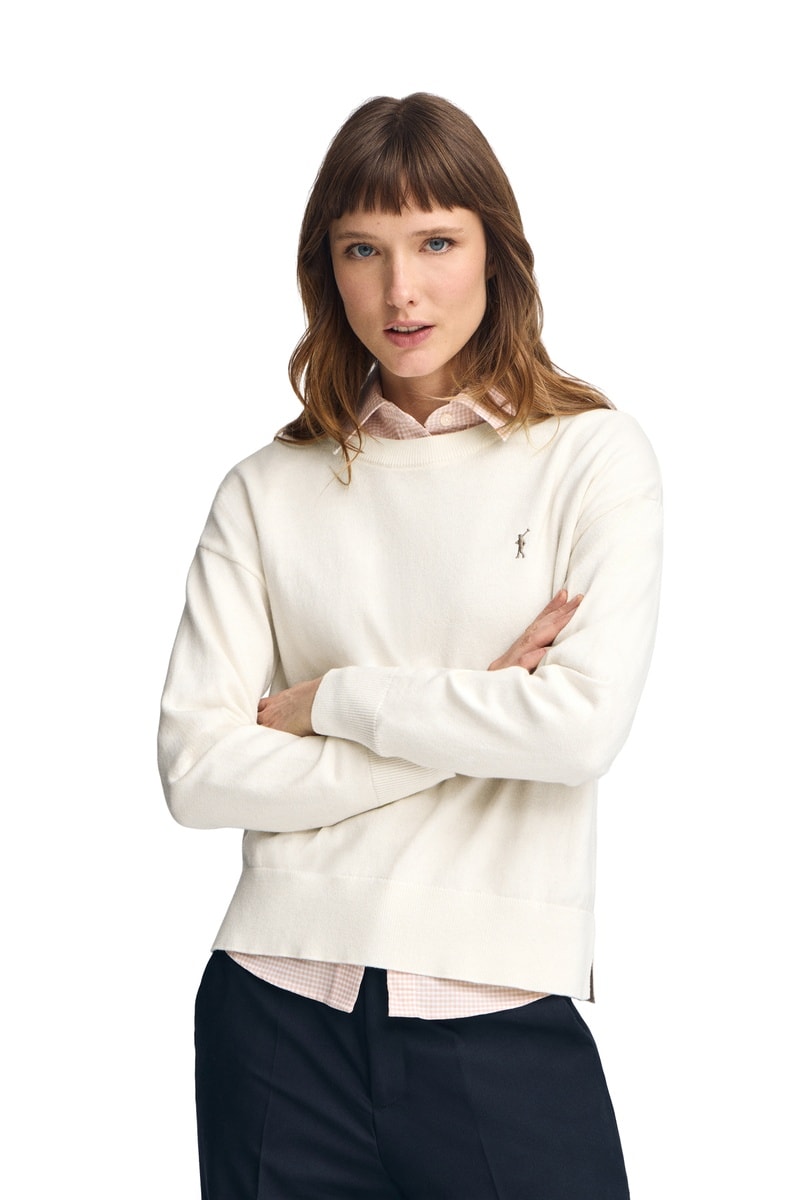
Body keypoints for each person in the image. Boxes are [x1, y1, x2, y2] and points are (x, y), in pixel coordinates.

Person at [158, 92, 662, 1200]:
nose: (400, 290)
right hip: (273, 1015)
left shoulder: (591, 459)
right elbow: (197, 774)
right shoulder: (264, 490)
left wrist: (331, 700)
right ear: (326, 271)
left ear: (495, 253)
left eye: (436, 242)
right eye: (363, 249)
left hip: (498, 1009)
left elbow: (575, 732)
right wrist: (477, 713)